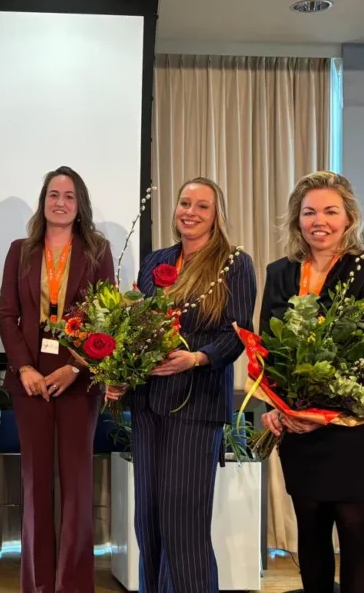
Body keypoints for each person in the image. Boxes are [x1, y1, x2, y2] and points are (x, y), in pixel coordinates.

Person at [110, 178, 257, 592]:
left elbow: (238, 333)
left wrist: (196, 358)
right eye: (184, 203)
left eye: (202, 206)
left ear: (216, 215)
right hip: (148, 404)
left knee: (183, 526)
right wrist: (119, 373)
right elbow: (137, 328)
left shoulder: (233, 263)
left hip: (196, 405)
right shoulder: (156, 260)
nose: (190, 212)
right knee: (149, 522)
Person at [260, 171, 364, 593]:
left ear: (348, 216)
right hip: (298, 427)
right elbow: (267, 349)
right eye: (309, 212)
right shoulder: (280, 272)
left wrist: (323, 412)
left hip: (355, 423)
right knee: (311, 524)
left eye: (330, 211)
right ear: (296, 219)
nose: (319, 221)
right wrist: (276, 407)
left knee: (355, 528)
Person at [0, 166, 114, 593]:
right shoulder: (20, 250)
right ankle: (38, 585)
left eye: (68, 196)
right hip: (30, 381)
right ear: (43, 201)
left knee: (77, 487)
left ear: (79, 205)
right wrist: (25, 368)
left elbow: (106, 316)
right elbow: (7, 314)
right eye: (53, 195)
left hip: (78, 381)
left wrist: (76, 366)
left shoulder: (98, 250)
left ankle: (74, 584)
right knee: (35, 485)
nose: (60, 202)